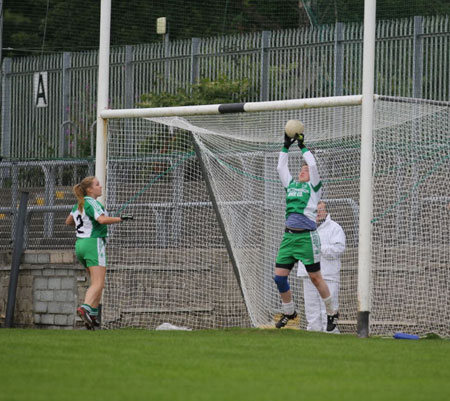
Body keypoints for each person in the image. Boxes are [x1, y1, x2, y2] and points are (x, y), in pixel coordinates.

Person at [274, 131, 339, 331]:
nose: (302, 171)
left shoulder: (314, 188)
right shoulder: (291, 184)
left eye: (305, 170)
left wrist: (302, 146)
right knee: (279, 277)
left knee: (315, 278)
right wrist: (286, 145)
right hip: (289, 237)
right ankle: (290, 311)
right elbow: (280, 167)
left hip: (306, 238)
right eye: (300, 170)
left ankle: (331, 313)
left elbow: (312, 165)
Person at [65, 176, 132, 329]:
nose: (100, 186)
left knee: (97, 283)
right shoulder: (91, 202)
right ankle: (85, 308)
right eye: (97, 184)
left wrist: (85, 223)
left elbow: (68, 221)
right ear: (89, 189)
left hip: (80, 244)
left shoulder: (79, 204)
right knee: (98, 283)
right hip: (93, 243)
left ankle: (92, 315)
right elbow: (101, 220)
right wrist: (120, 219)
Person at [297, 201, 346, 333]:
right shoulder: (304, 228)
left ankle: (332, 336)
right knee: (311, 310)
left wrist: (319, 248)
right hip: (308, 275)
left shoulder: (335, 228)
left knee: (328, 309)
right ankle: (313, 336)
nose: (318, 213)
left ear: (326, 211)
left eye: (320, 210)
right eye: (315, 211)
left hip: (327, 276)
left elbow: (339, 248)